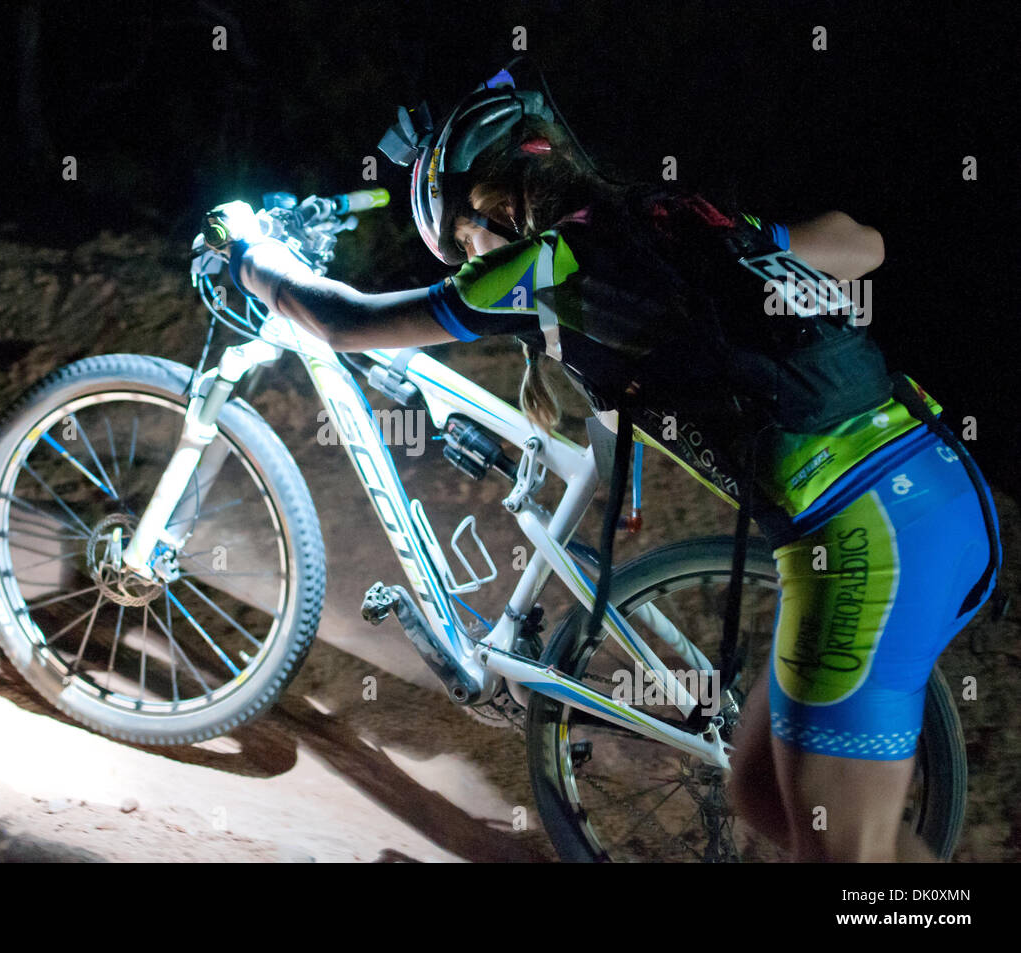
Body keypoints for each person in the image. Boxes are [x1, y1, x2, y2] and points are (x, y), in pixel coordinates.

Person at [206, 66, 1001, 862]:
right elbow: (864, 244)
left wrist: (251, 257)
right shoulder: (682, 222)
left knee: (847, 864)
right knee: (762, 793)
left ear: (489, 207)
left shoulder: (551, 259)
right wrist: (757, 247)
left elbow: (343, 321)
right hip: (935, 493)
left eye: (462, 243)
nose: (467, 264)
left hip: (872, 544)